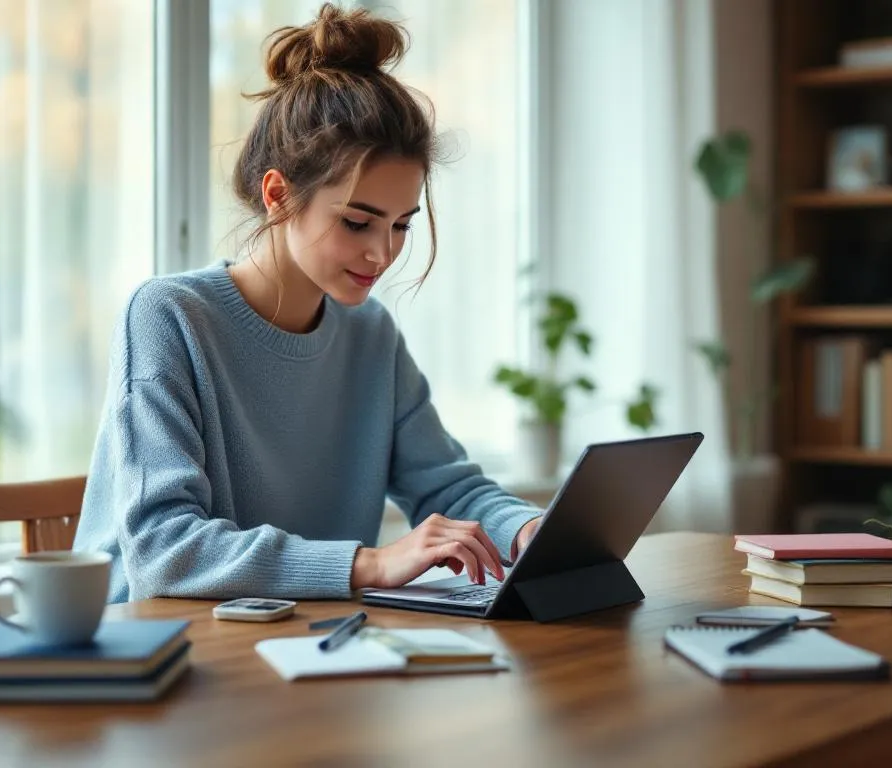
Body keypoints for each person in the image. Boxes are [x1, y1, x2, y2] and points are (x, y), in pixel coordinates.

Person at [73, 3, 542, 603]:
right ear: (278, 194)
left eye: (401, 225)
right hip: (162, 659)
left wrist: (528, 529)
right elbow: (165, 551)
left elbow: (448, 490)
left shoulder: (370, 334)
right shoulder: (169, 317)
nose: (382, 254)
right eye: (357, 222)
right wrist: (369, 564)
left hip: (307, 645)